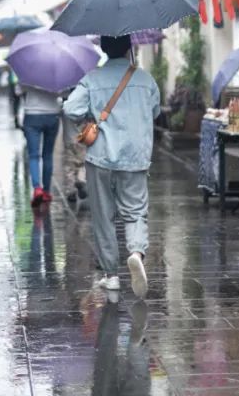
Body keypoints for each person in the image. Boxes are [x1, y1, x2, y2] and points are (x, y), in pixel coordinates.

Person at [63, 35, 160, 300]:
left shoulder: (92, 79)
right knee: (136, 211)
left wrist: (90, 116)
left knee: (103, 215)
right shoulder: (145, 80)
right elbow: (155, 112)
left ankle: (111, 275)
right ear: (129, 48)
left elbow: (71, 109)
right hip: (135, 157)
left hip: (101, 157)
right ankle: (136, 252)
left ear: (104, 49)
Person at [22, 85, 62, 207]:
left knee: (33, 155)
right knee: (48, 154)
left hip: (32, 114)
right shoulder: (57, 75)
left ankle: (37, 188)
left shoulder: (28, 74)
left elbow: (19, 90)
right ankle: (46, 191)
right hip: (52, 114)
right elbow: (63, 93)